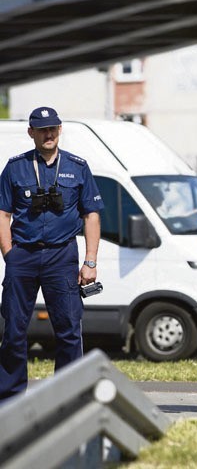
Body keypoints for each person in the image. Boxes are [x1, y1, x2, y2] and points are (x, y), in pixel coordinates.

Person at [0, 106, 104, 401]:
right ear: (31, 132)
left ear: (59, 131)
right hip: (23, 255)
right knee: (14, 329)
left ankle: (69, 395)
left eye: (53, 129)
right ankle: (9, 397)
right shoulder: (15, 167)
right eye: (43, 129)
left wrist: (90, 262)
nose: (49, 134)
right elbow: (2, 213)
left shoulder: (78, 166)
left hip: (62, 256)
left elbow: (92, 216)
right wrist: (10, 254)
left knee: (69, 327)